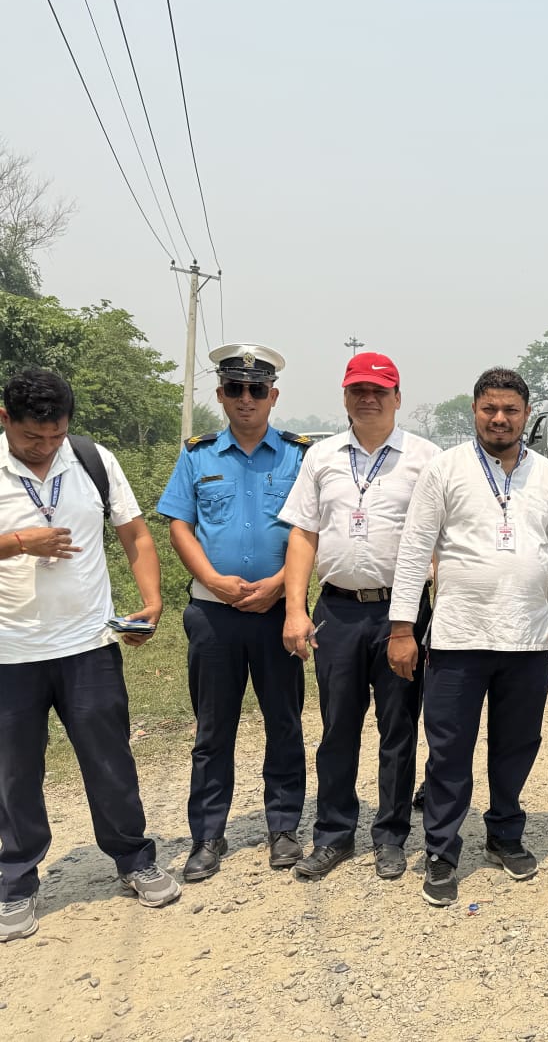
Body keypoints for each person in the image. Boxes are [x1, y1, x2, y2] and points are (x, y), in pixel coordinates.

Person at [0, 369, 180, 941]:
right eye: (32, 437)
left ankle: (133, 858)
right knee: (13, 773)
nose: (45, 447)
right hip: (10, 651)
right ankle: (16, 882)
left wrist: (151, 601)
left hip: (88, 646)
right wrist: (17, 542)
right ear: (4, 419)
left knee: (110, 761)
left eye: (55, 435)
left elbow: (135, 534)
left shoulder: (92, 459)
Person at [388, 367, 548, 907]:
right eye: (489, 408)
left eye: (510, 410)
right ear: (474, 410)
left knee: (517, 745)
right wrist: (402, 628)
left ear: (526, 414)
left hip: (527, 638)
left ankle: (505, 835)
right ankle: (442, 851)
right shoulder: (445, 469)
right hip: (458, 639)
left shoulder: (547, 474)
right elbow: (414, 549)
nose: (499, 419)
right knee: (449, 750)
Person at [278, 353, 440, 881]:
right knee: (337, 729)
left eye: (379, 390)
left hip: (402, 614)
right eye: (358, 390)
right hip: (338, 611)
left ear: (398, 397)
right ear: (345, 396)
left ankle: (391, 835)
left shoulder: (426, 459)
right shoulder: (321, 456)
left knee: (399, 728)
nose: (368, 399)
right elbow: (303, 534)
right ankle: (333, 834)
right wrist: (295, 610)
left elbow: (443, 541)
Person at [157, 344, 310, 882]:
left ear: (273, 396)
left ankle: (284, 828)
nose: (247, 399)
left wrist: (282, 585)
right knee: (213, 730)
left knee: (284, 723)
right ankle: (207, 835)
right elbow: (180, 524)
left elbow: (310, 529)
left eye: (257, 390)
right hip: (212, 614)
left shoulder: (298, 456)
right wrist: (213, 581)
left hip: (278, 612)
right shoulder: (197, 456)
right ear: (221, 395)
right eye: (235, 389)